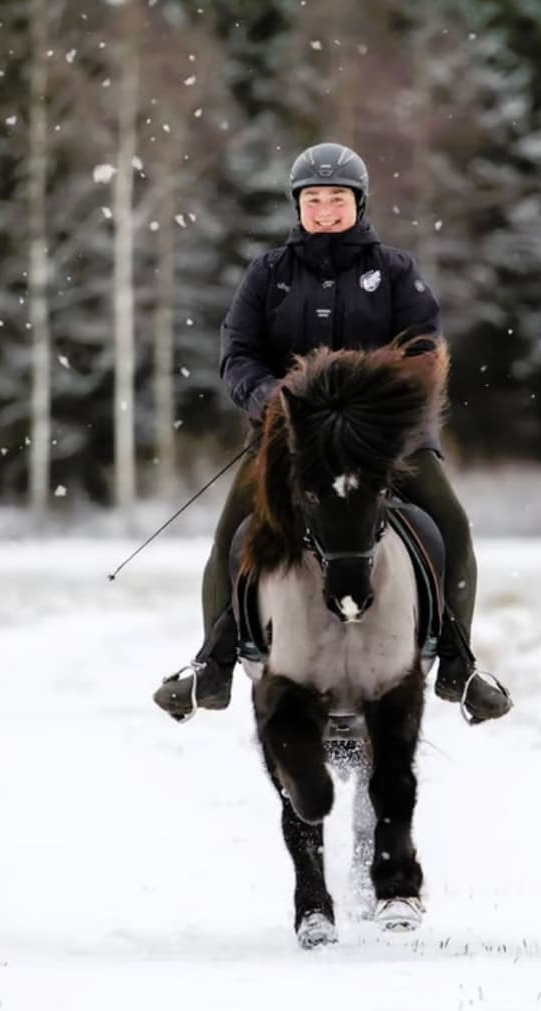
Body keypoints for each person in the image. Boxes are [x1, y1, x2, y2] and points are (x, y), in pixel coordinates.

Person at [152, 141, 511, 723]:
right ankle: (212, 664)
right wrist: (270, 400)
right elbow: (238, 353)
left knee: (452, 527)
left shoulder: (395, 271)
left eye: (336, 199)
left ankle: (457, 662)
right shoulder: (267, 273)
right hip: (287, 438)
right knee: (232, 534)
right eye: (313, 200)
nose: (324, 210)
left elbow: (423, 350)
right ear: (297, 207)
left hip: (387, 441)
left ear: (358, 203)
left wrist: (380, 409)